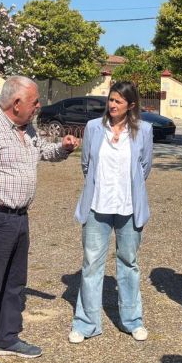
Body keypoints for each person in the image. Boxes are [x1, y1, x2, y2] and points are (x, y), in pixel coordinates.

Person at [0, 75, 79, 363]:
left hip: (19, 217)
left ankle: (6, 338)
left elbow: (42, 153)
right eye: (35, 101)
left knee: (14, 283)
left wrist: (63, 148)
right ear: (16, 103)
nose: (39, 106)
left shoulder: (27, 129)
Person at [68, 81, 154, 343]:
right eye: (111, 99)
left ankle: (132, 320)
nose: (112, 105)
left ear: (131, 105)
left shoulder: (144, 130)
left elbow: (144, 167)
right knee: (92, 264)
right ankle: (85, 324)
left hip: (129, 207)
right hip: (97, 206)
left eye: (118, 101)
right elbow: (87, 165)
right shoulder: (94, 128)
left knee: (128, 263)